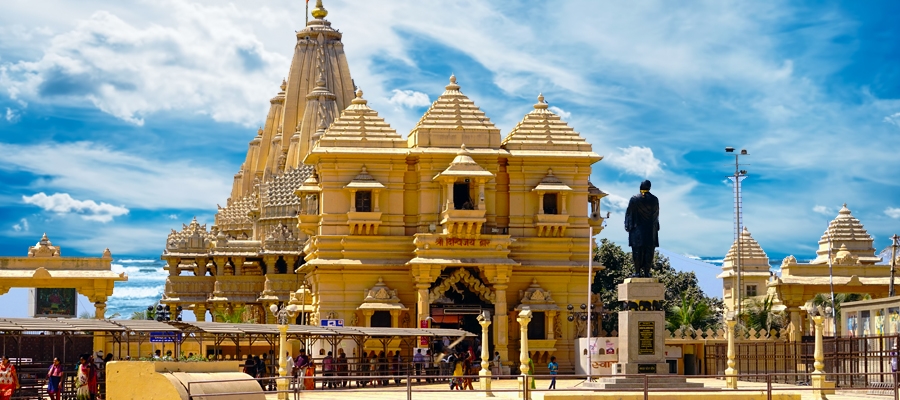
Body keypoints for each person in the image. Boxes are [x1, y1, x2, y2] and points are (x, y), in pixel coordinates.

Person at [624, 179, 660, 278]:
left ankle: (637, 272)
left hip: (637, 231)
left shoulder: (634, 199)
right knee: (649, 251)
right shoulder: (654, 199)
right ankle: (647, 272)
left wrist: (628, 226)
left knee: (637, 251)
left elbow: (629, 214)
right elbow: (656, 216)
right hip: (650, 231)